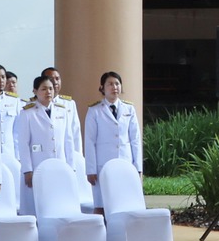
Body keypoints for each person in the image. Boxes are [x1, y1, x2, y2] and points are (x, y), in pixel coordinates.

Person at [82, 71, 142, 205]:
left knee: (124, 202)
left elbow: (135, 139)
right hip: (103, 165)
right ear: (102, 88)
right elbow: (90, 141)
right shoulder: (94, 110)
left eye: (117, 84)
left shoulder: (129, 109)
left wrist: (137, 166)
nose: (114, 87)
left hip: (125, 163)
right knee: (102, 204)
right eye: (110, 84)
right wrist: (90, 169)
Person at [13, 74, 78, 191]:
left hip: (60, 164)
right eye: (43, 89)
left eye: (50, 88)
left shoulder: (62, 111)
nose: (48, 92)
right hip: (38, 165)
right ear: (35, 91)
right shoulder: (27, 113)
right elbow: (23, 143)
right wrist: (27, 170)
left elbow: (68, 140)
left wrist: (71, 167)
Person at [42, 66, 83, 158]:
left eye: (57, 78)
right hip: (42, 155)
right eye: (51, 79)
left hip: (64, 155)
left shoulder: (69, 104)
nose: (55, 82)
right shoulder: (33, 105)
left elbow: (75, 132)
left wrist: (78, 157)